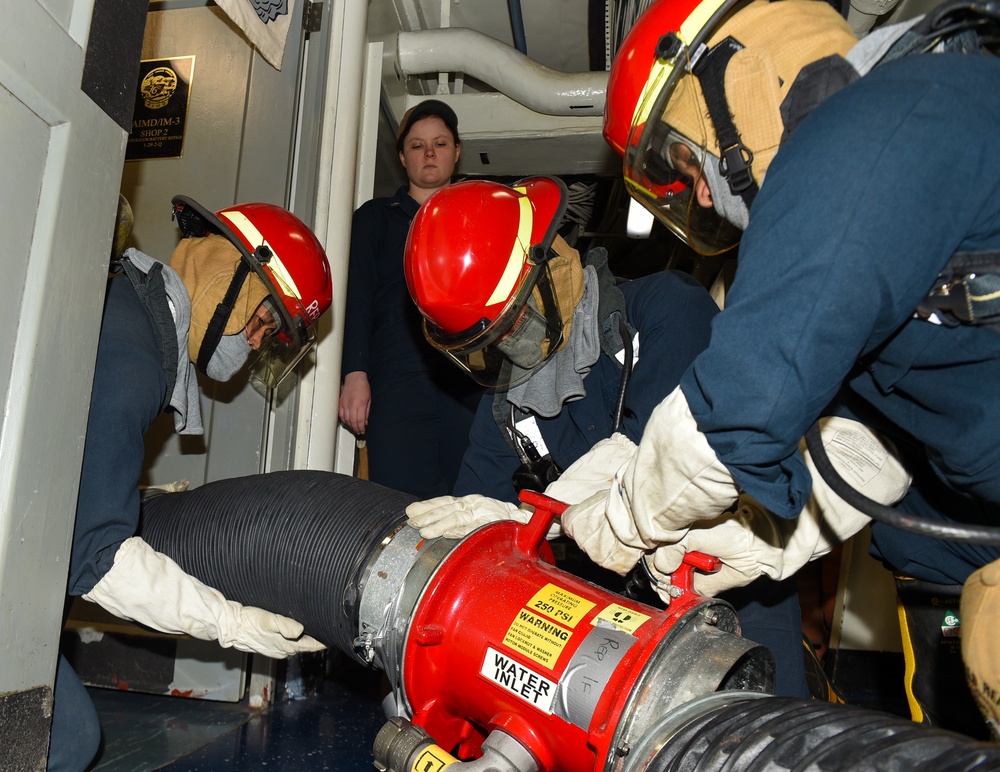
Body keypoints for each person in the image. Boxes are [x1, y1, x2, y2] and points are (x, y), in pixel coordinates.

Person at [557, 0, 1000, 731]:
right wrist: (746, 542)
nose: (702, 192)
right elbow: (866, 449)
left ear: (736, 78)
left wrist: (621, 520)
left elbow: (728, 418)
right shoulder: (879, 163)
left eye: (688, 159)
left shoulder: (865, 132)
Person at [400, 175, 836, 699]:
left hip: (728, 585)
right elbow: (474, 515)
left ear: (552, 262)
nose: (512, 346)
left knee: (761, 740)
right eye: (491, 340)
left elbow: (651, 463)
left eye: (516, 321)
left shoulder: (666, 310)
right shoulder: (507, 406)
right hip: (611, 617)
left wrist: (536, 515)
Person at [50, 195, 333, 771]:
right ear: (228, 274)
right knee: (66, 738)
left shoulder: (125, 297)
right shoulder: (135, 350)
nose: (255, 344)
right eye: (262, 321)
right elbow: (92, 558)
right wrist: (226, 622)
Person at [339, 99, 482, 498]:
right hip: (395, 379)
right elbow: (357, 299)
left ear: (456, 152)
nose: (430, 153)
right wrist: (355, 374)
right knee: (401, 505)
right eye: (418, 146)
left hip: (467, 380)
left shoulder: (479, 218)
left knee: (473, 502)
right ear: (402, 157)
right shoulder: (374, 218)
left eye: (440, 143)